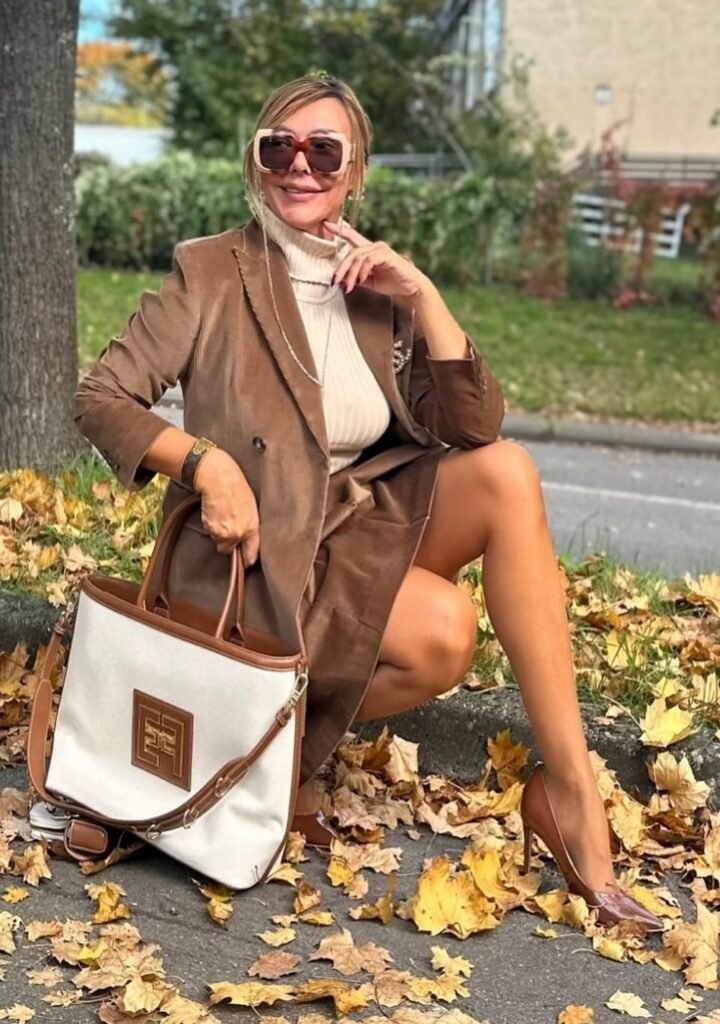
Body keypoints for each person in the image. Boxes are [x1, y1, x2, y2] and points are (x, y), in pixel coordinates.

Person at [74, 73, 661, 931]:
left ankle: (571, 791)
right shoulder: (210, 271)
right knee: (444, 634)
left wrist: (420, 295)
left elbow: (473, 423)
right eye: (280, 146)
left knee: (507, 472)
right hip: (261, 551)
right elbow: (103, 397)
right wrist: (206, 465)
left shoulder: (372, 285)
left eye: (324, 150)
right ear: (255, 161)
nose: (299, 166)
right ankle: (278, 760)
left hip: (362, 522)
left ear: (355, 173)